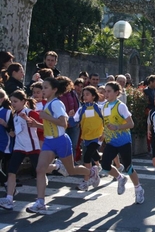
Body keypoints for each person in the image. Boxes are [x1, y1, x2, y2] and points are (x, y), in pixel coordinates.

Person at [26, 77, 100, 214]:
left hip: (61, 141)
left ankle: (91, 172)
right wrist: (38, 125)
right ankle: (40, 202)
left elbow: (63, 123)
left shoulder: (56, 104)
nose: (43, 90)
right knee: (40, 169)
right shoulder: (46, 104)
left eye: (46, 87)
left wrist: (46, 117)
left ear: (54, 90)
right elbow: (52, 124)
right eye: (42, 88)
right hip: (49, 141)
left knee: (71, 170)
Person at [0, 90, 66, 210]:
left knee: (41, 169)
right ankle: (9, 198)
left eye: (16, 101)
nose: (13, 104)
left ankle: (57, 166)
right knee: (11, 171)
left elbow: (44, 126)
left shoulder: (30, 113)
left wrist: (31, 122)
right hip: (19, 148)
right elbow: (15, 130)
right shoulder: (14, 115)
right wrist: (12, 132)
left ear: (24, 101)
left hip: (32, 147)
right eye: (11, 101)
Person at [101, 81, 144, 203]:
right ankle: (120, 178)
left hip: (124, 141)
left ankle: (138, 189)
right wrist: (103, 134)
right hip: (111, 142)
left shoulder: (120, 106)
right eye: (105, 91)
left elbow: (131, 124)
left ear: (116, 93)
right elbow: (106, 123)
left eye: (109, 91)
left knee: (129, 167)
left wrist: (117, 127)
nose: (106, 94)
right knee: (104, 166)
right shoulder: (104, 106)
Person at [68, 86, 104, 191]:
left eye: (87, 94)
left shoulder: (99, 108)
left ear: (93, 96)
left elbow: (106, 121)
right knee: (94, 155)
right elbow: (73, 122)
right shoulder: (81, 109)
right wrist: (70, 117)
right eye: (84, 95)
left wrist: (104, 134)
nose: (85, 96)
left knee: (87, 157)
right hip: (86, 137)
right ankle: (97, 168)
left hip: (97, 137)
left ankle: (86, 181)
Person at [0, 89, 13, 186]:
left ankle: (9, 184)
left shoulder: (7, 112)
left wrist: (5, 124)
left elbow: (12, 129)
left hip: (3, 142)